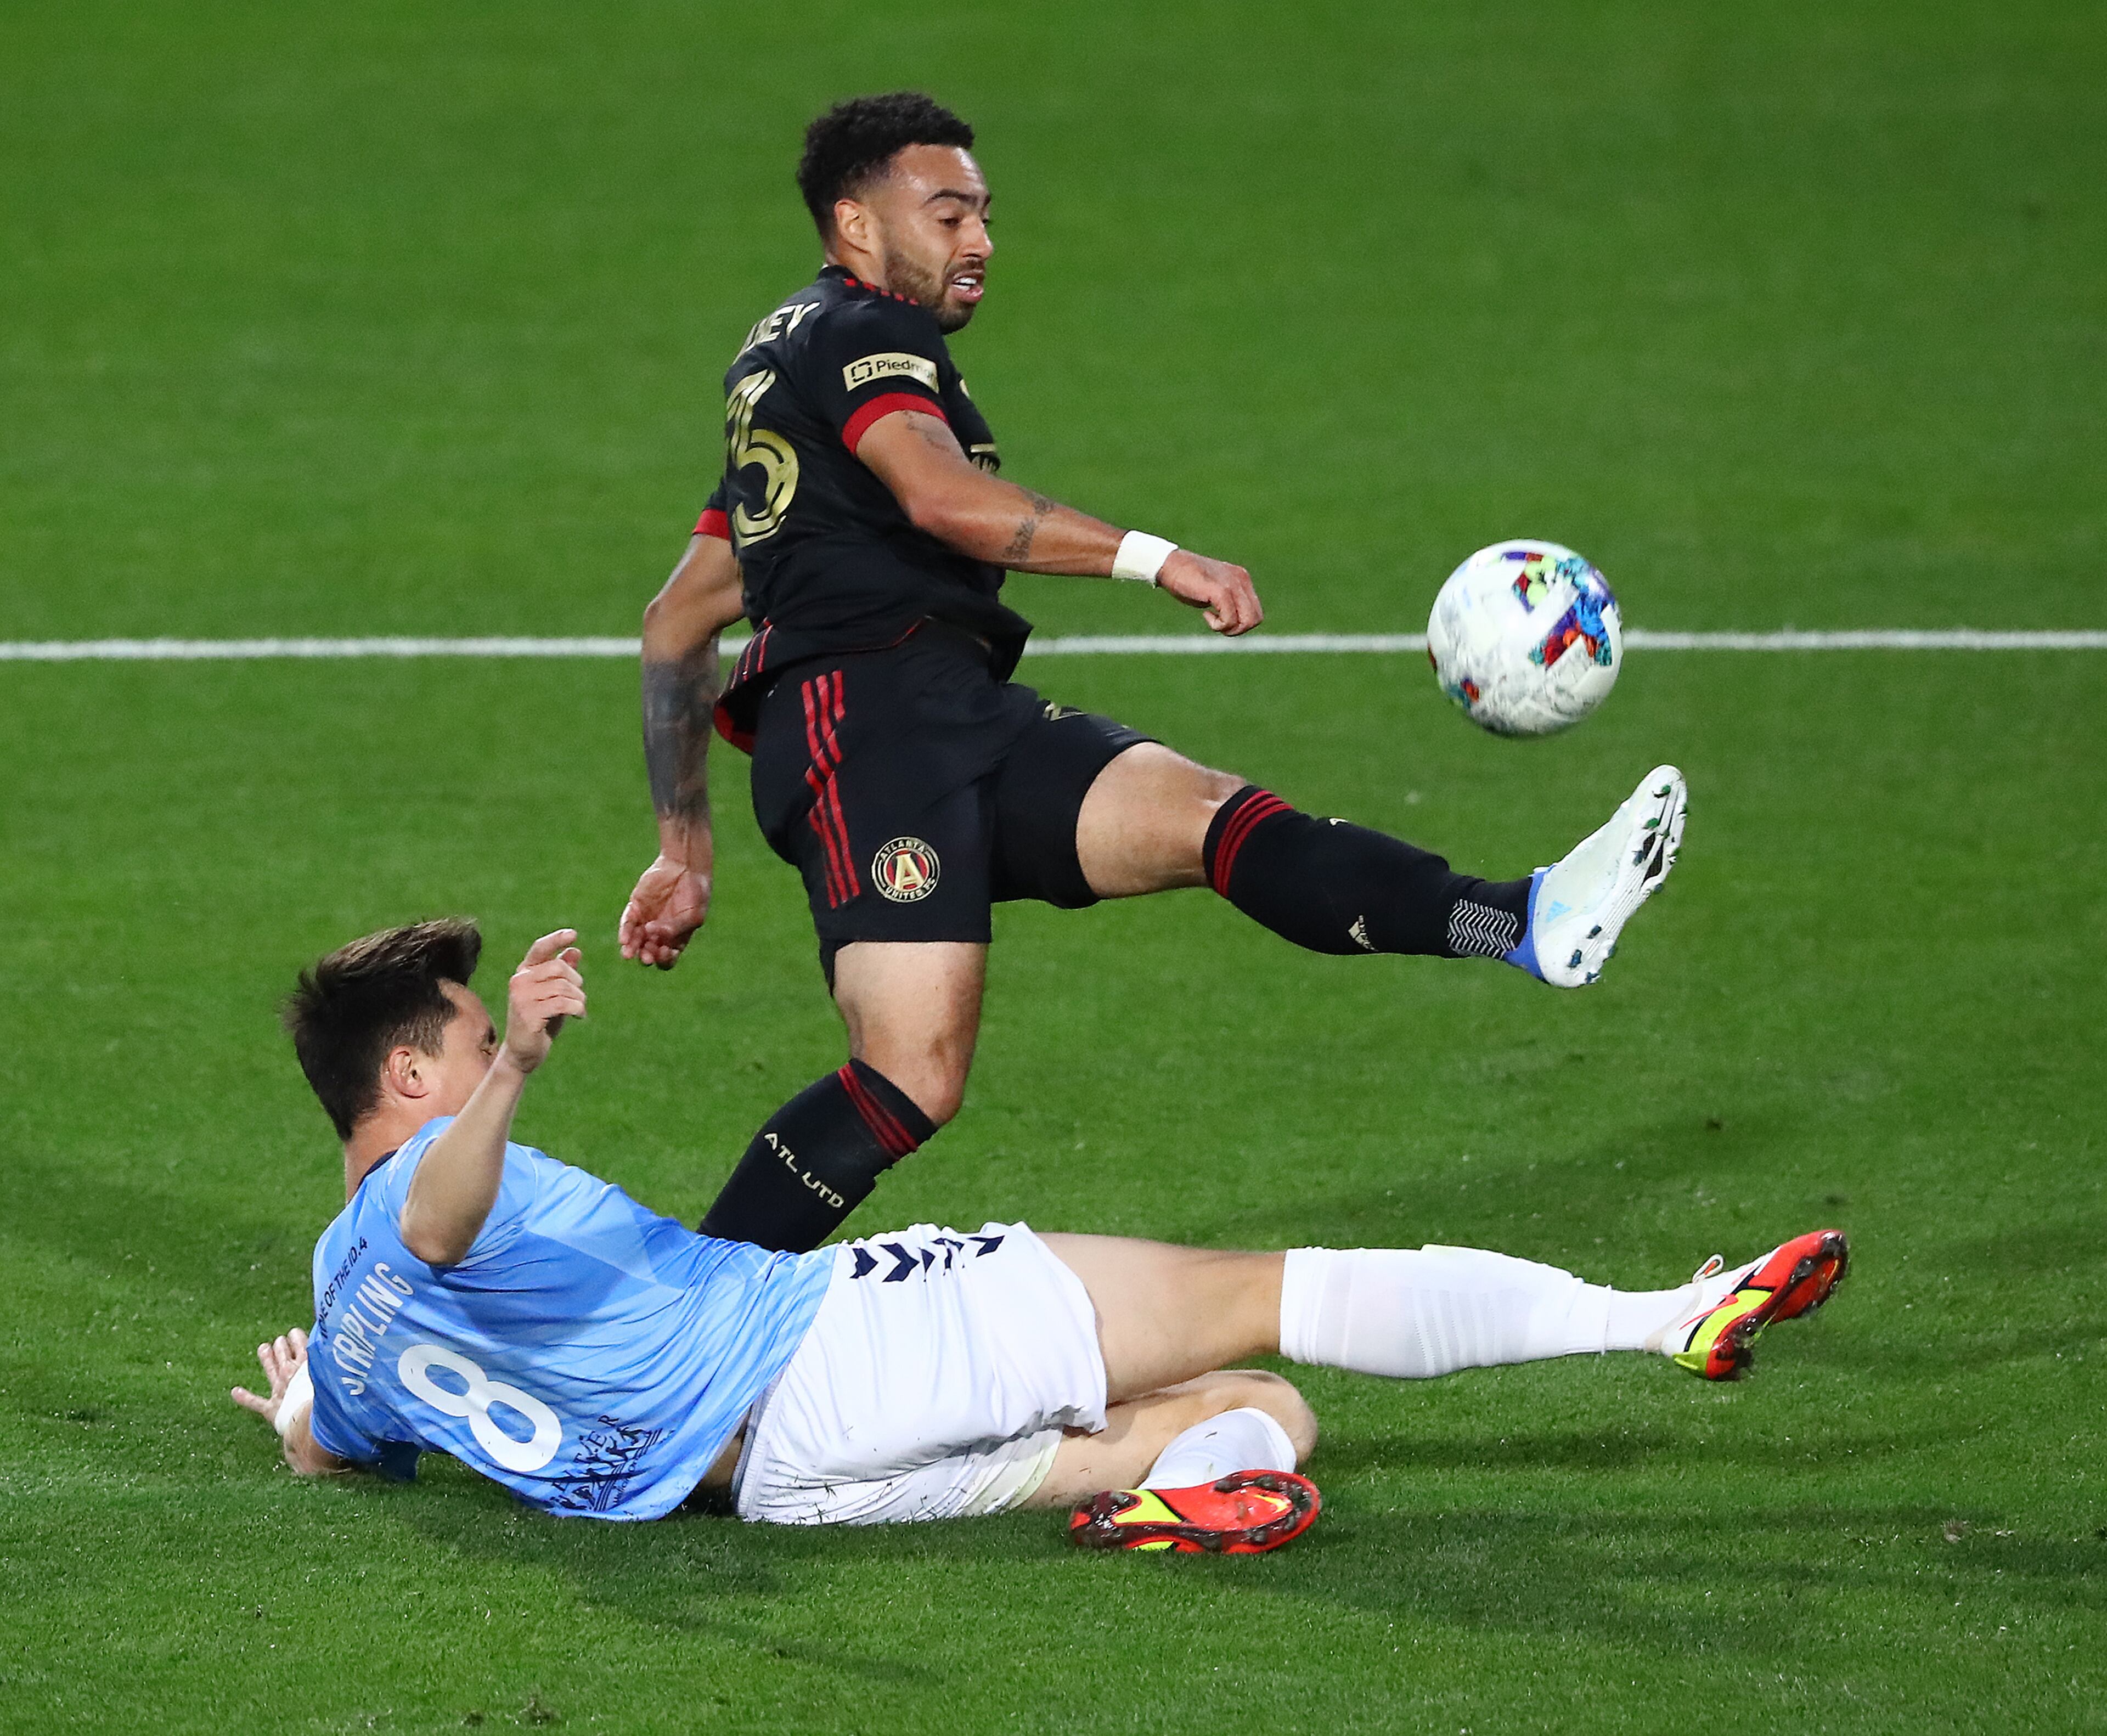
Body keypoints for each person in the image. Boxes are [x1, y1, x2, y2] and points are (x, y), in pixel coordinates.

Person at [616, 92, 1690, 1255]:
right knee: (911, 1076)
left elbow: (679, 619)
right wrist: (1157, 558)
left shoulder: (786, 372)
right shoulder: (859, 336)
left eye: (983, 214)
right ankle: (681, 1323)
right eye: (946, 214)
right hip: (868, 728)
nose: (979, 242)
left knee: (1209, 817)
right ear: (855, 224)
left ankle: (1525, 920)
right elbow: (941, 497)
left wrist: (685, 847)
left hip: (948, 711)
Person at [235, 921, 1846, 1552]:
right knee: (1254, 1292)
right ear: (411, 1075)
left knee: (1267, 1423)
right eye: (454, 1043)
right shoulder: (426, 1184)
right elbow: (439, 1221)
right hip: (824, 1347)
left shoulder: (340, 1306)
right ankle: (1660, 1316)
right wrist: (515, 1062)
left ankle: (1175, 1497)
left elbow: (341, 1440)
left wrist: (308, 1414)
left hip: (780, 1494)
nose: (472, 1066)